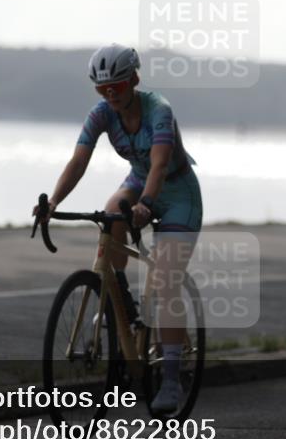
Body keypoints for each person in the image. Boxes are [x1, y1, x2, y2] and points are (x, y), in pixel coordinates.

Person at [34, 44, 202, 412]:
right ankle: (120, 301)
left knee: (164, 280)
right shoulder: (101, 115)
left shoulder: (159, 109)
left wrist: (146, 204)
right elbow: (78, 160)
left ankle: (172, 379)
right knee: (109, 219)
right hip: (137, 182)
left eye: (118, 87)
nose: (111, 95)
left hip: (176, 193)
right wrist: (54, 203)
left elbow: (159, 166)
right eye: (102, 89)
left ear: (134, 80)